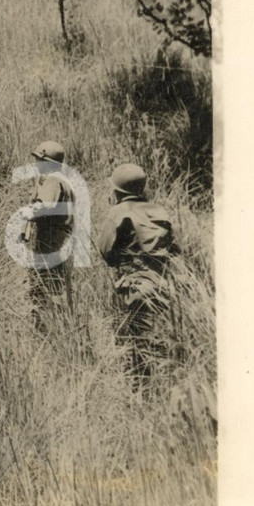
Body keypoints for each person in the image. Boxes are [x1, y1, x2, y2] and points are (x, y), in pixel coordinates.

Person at [97, 163, 181, 383]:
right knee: (160, 340)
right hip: (165, 285)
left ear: (118, 190)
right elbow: (174, 249)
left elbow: (105, 251)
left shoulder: (118, 212)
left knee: (138, 344)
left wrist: (123, 263)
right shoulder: (160, 211)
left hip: (137, 286)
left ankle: (143, 391)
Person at [19, 140, 75, 325]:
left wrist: (31, 212)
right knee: (57, 287)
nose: (36, 164)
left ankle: (43, 329)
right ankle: (60, 326)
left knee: (42, 287)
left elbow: (46, 206)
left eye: (39, 160)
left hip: (50, 241)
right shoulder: (64, 180)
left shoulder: (52, 179)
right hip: (62, 240)